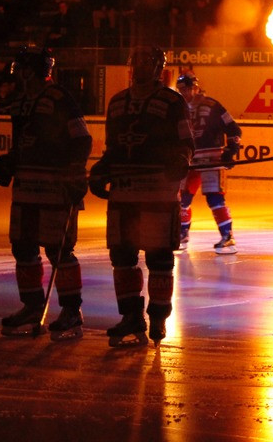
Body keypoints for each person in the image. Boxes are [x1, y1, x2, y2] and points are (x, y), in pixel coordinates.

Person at [89, 46, 194, 347]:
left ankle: (158, 317)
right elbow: (112, 149)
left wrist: (181, 159)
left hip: (158, 193)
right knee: (122, 257)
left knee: (159, 259)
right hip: (123, 193)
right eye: (137, 62)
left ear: (159, 67)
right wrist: (102, 169)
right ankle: (131, 316)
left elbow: (187, 142)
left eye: (148, 63)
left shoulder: (173, 103)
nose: (141, 68)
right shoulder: (117, 102)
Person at [0, 48, 92, 339]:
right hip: (26, 187)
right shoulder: (21, 102)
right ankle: (33, 306)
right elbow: (23, 142)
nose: (16, 74)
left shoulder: (60, 98)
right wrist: (10, 160)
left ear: (30, 70)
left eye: (20, 68)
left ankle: (72, 311)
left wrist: (75, 173)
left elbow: (82, 138)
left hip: (55, 188)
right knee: (22, 247)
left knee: (58, 250)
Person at [177, 72, 242, 254]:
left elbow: (233, 128)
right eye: (182, 90)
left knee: (214, 199)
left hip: (211, 160)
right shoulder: (178, 108)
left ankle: (227, 236)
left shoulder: (212, 105)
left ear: (196, 87)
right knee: (182, 199)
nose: (185, 93)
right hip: (189, 160)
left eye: (188, 89)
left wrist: (231, 150)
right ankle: (182, 234)